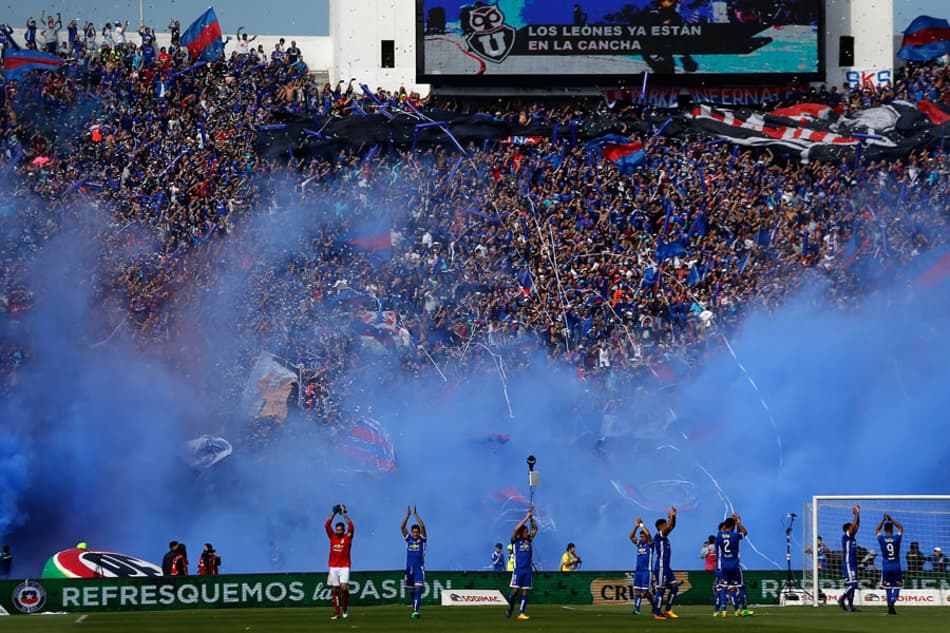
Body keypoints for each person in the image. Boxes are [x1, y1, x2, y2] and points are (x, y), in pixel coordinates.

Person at [715, 513, 753, 617]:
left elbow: (722, 539)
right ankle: (744, 609)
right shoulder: (735, 536)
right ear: (732, 526)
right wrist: (739, 523)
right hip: (734, 566)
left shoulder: (719, 536)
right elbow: (744, 533)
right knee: (741, 587)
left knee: (723, 587)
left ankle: (724, 611)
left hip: (724, 566)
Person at [506, 509, 537, 620]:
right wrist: (525, 517)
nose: (527, 533)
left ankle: (521, 613)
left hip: (527, 570)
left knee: (525, 591)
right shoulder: (515, 541)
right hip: (518, 570)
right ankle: (511, 606)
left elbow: (535, 529)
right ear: (521, 533)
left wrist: (531, 518)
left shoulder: (529, 540)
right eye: (525, 531)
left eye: (527, 531)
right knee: (514, 591)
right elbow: (515, 529)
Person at [326, 504, 354, 619]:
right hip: (333, 566)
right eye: (337, 530)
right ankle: (337, 612)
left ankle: (345, 609)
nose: (338, 532)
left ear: (343, 530)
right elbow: (327, 525)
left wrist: (343, 514)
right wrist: (333, 512)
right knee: (335, 590)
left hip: (344, 566)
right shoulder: (332, 536)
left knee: (344, 588)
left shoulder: (347, 538)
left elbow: (351, 526)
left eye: (340, 530)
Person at [652, 507, 680, 620]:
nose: (667, 526)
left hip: (667, 568)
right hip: (661, 567)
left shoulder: (665, 537)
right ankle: (657, 613)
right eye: (664, 525)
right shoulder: (659, 535)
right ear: (660, 527)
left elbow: (672, 526)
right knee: (661, 589)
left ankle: (667, 609)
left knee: (674, 587)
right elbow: (669, 527)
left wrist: (673, 517)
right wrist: (671, 517)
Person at [400, 505, 427, 619]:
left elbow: (423, 526)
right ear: (411, 532)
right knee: (411, 591)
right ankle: (414, 606)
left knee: (418, 589)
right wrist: (408, 515)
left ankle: (416, 611)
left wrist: (415, 515)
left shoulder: (423, 540)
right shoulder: (408, 539)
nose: (415, 534)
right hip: (409, 569)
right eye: (414, 532)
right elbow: (402, 526)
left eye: (417, 532)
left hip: (418, 569)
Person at [875, 513, 903, 615]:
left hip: (886, 566)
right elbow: (900, 527)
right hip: (896, 566)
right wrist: (891, 519)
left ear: (885, 530)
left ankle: (890, 605)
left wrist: (883, 520)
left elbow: (877, 530)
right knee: (896, 586)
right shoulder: (896, 538)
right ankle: (892, 601)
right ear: (892, 529)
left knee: (887, 586)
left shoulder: (882, 539)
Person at [628, 517, 653, 616]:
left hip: (647, 571)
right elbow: (631, 536)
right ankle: (637, 610)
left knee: (646, 592)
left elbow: (649, 534)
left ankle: (655, 606)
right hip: (638, 571)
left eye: (643, 536)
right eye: (641, 536)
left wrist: (642, 525)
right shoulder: (639, 544)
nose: (642, 538)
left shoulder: (650, 544)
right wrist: (636, 526)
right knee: (637, 591)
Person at [838, 505, 860, 612]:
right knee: (854, 584)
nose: (855, 528)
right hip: (848, 563)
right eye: (852, 527)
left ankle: (851, 606)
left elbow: (857, 526)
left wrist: (858, 515)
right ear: (848, 529)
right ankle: (841, 599)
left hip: (853, 564)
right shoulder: (846, 536)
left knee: (854, 585)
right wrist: (856, 514)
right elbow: (853, 527)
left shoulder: (852, 537)